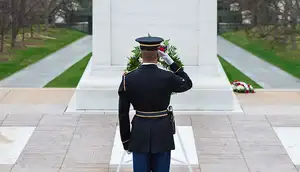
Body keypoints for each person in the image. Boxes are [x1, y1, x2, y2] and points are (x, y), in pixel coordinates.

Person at [118, 36, 193, 172]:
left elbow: (123, 114)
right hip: (162, 133)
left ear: (140, 54)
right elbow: (187, 83)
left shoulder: (127, 79)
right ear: (158, 55)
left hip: (139, 133)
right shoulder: (168, 77)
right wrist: (171, 63)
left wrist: (126, 142)